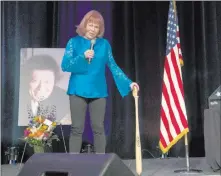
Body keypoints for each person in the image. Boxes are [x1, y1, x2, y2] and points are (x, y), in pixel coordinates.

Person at [61, 10, 139, 154]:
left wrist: (129, 83)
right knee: (77, 128)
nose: (93, 29)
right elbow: (65, 65)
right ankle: (73, 163)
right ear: (84, 25)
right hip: (78, 90)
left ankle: (100, 163)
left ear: (99, 30)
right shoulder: (74, 42)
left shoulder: (104, 45)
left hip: (98, 92)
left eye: (96, 27)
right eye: (90, 25)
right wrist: (82, 56)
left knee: (98, 127)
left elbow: (113, 66)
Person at [18, 54, 71, 126]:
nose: (41, 88)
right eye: (35, 81)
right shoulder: (17, 98)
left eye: (47, 82)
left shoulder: (64, 99)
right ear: (26, 80)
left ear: (54, 82)